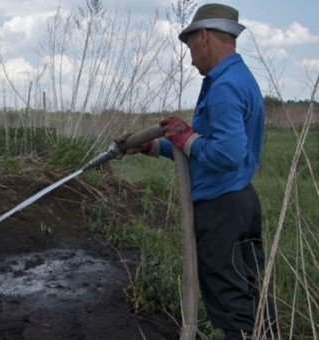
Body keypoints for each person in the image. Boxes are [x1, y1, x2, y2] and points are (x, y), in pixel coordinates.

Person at [116, 4, 275, 339]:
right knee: (253, 293)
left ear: (204, 37)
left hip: (221, 210)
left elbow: (226, 155)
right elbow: (204, 150)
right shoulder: (237, 78)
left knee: (230, 300)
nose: (190, 60)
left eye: (190, 49)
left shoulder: (224, 88)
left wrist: (187, 138)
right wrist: (155, 146)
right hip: (241, 202)